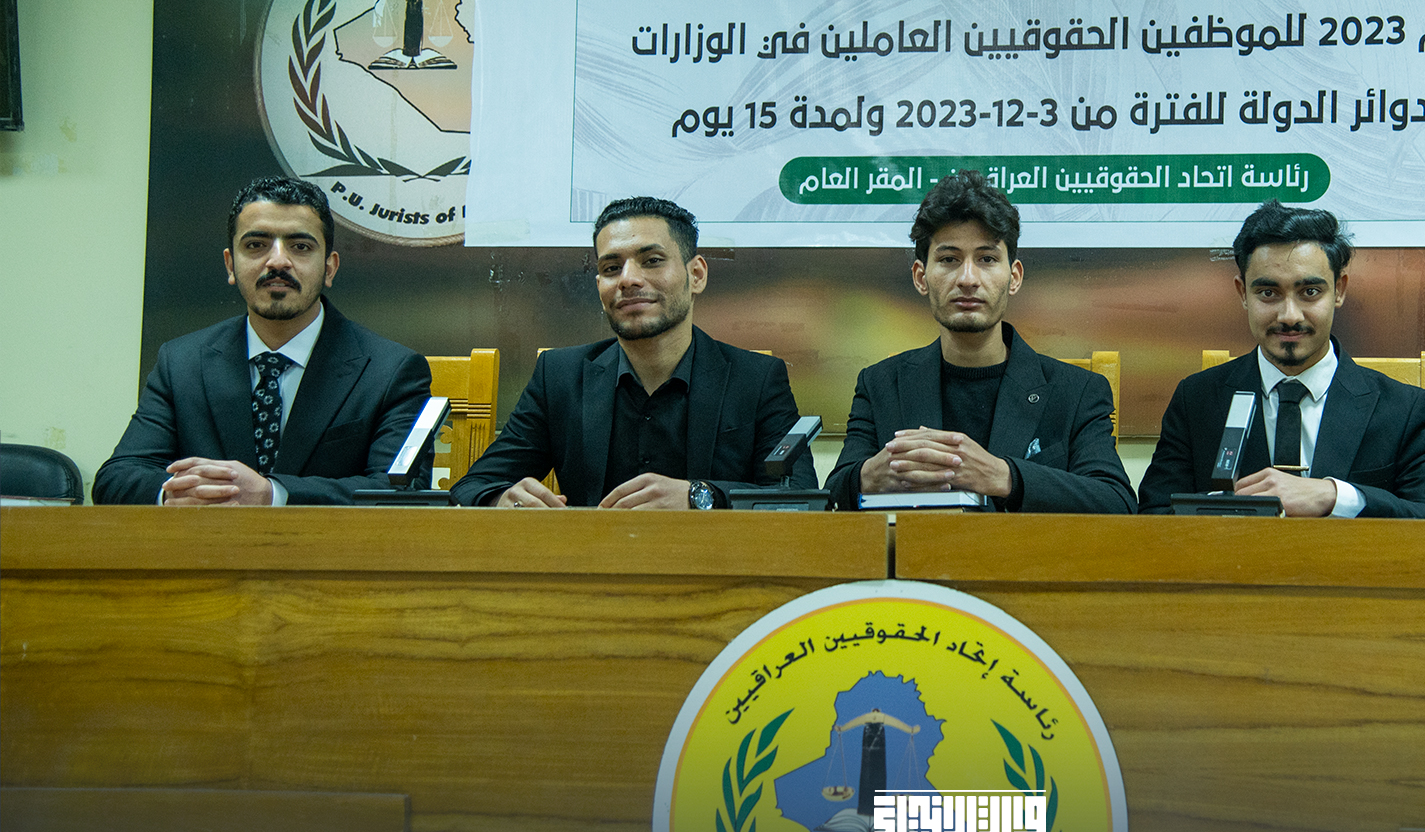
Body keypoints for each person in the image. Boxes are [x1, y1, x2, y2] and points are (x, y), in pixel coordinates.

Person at [452, 196, 816, 509]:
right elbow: (473, 486)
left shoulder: (756, 379)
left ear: (697, 275)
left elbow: (800, 496)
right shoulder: (560, 375)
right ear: (600, 286)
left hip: (713, 561)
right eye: (612, 268)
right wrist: (502, 499)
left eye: (652, 260)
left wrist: (699, 497)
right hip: (593, 561)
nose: (628, 279)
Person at [94, 176, 432, 505]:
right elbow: (116, 477)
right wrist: (176, 493)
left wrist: (273, 495)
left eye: (300, 247)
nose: (278, 261)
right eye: (256, 245)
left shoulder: (391, 371)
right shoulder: (181, 363)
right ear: (230, 265)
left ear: (329, 268)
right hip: (207, 543)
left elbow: (402, 492)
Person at [826, 171, 1134, 513]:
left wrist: (1004, 476)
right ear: (920, 277)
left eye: (987, 259)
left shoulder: (1077, 392)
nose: (968, 279)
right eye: (949, 260)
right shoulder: (881, 384)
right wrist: (869, 476)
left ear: (1014, 277)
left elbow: (1117, 503)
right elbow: (828, 501)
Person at [1137, 203, 1425, 516]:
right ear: (1243, 293)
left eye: (1310, 292)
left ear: (1339, 290)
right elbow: (1154, 516)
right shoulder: (1196, 399)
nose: (1289, 316)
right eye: (1268, 293)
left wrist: (1335, 496)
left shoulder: (1406, 410)